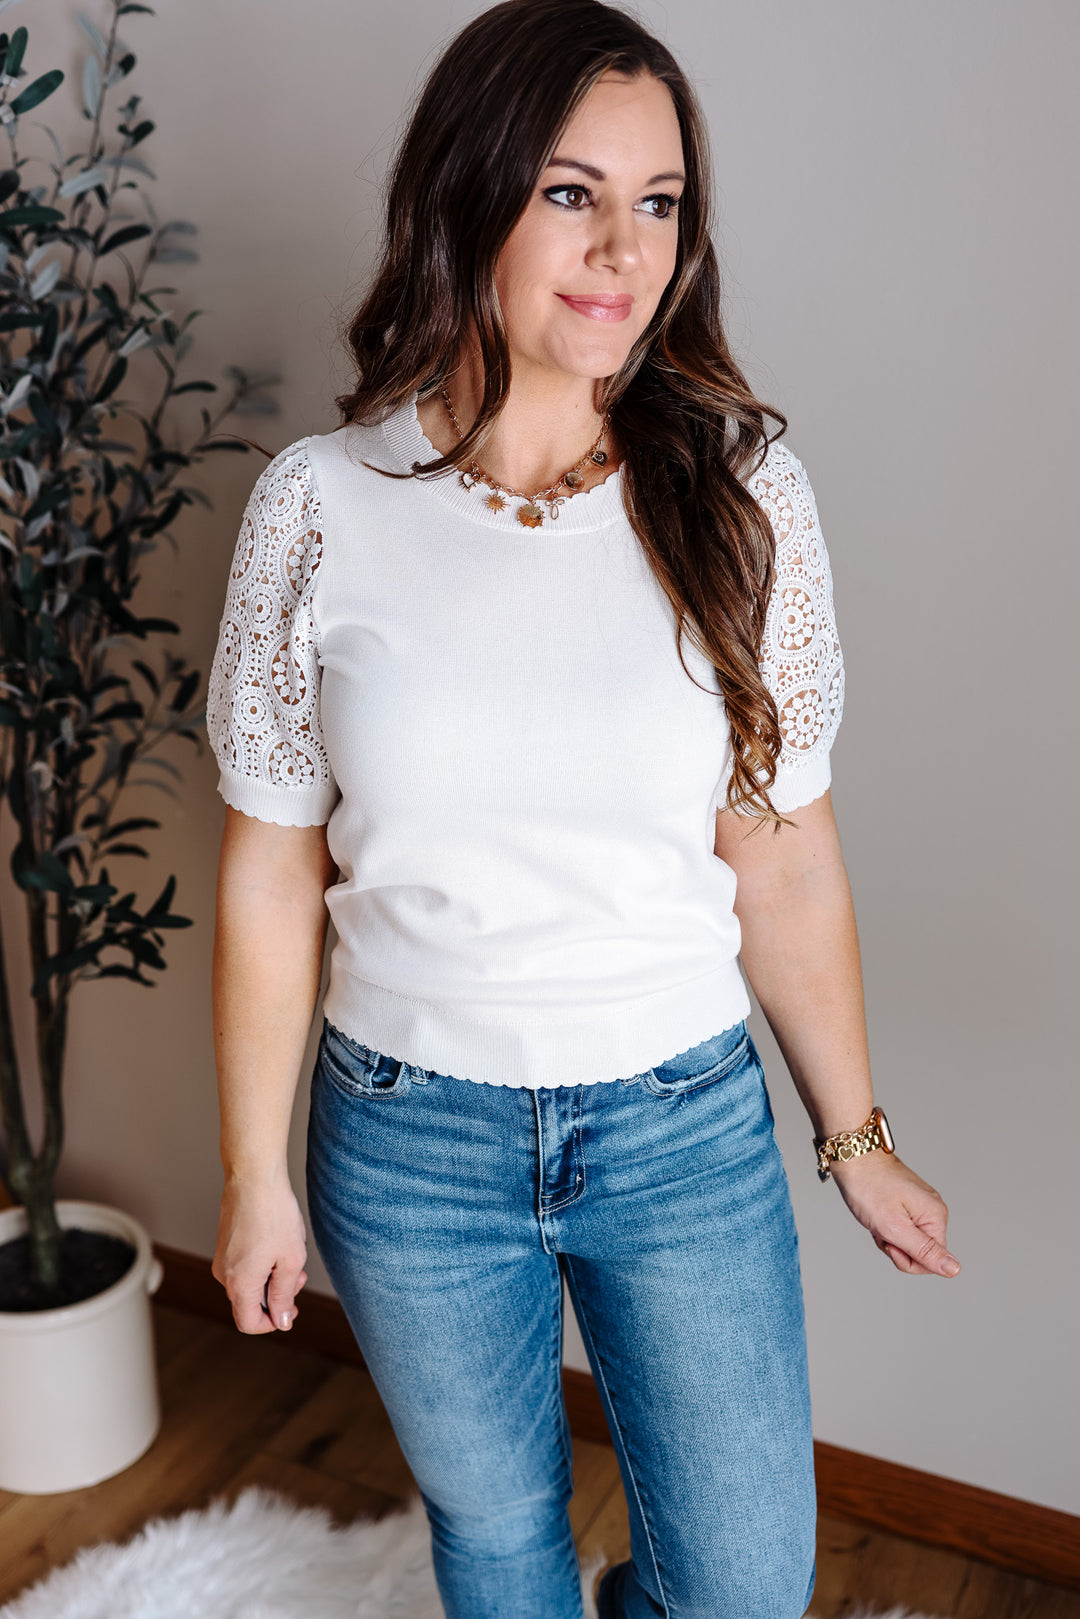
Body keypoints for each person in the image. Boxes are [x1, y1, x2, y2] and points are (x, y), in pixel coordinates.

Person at [207, 3, 960, 1615]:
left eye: (660, 201)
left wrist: (857, 1136)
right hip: (405, 1133)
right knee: (495, 1538)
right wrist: (253, 1173)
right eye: (571, 193)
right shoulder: (321, 509)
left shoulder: (746, 499)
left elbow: (782, 851)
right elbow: (271, 869)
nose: (625, 248)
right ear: (465, 196)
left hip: (679, 1122)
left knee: (742, 1587)